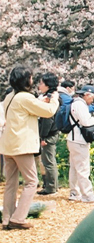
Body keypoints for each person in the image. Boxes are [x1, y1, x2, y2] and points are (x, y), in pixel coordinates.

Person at [0, 66, 59, 230]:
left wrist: (39, 103)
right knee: (32, 181)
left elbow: (25, 111)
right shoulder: (25, 97)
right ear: (25, 80)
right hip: (21, 146)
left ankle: (7, 219)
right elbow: (48, 111)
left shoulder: (9, 96)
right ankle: (18, 218)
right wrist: (54, 99)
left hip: (8, 145)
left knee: (11, 184)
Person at [67, 84, 94, 202]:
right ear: (87, 94)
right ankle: (87, 194)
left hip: (73, 138)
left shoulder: (75, 103)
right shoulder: (80, 105)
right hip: (79, 140)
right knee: (83, 168)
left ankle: (74, 192)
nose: (92, 100)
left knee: (74, 167)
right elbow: (86, 122)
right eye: (92, 97)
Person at [37, 72, 61, 196]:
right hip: (52, 133)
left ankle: (51, 187)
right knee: (48, 160)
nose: (39, 85)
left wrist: (43, 136)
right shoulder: (53, 96)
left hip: (49, 135)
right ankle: (51, 185)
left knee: (48, 161)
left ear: (48, 85)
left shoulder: (50, 98)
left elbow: (48, 119)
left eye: (41, 83)